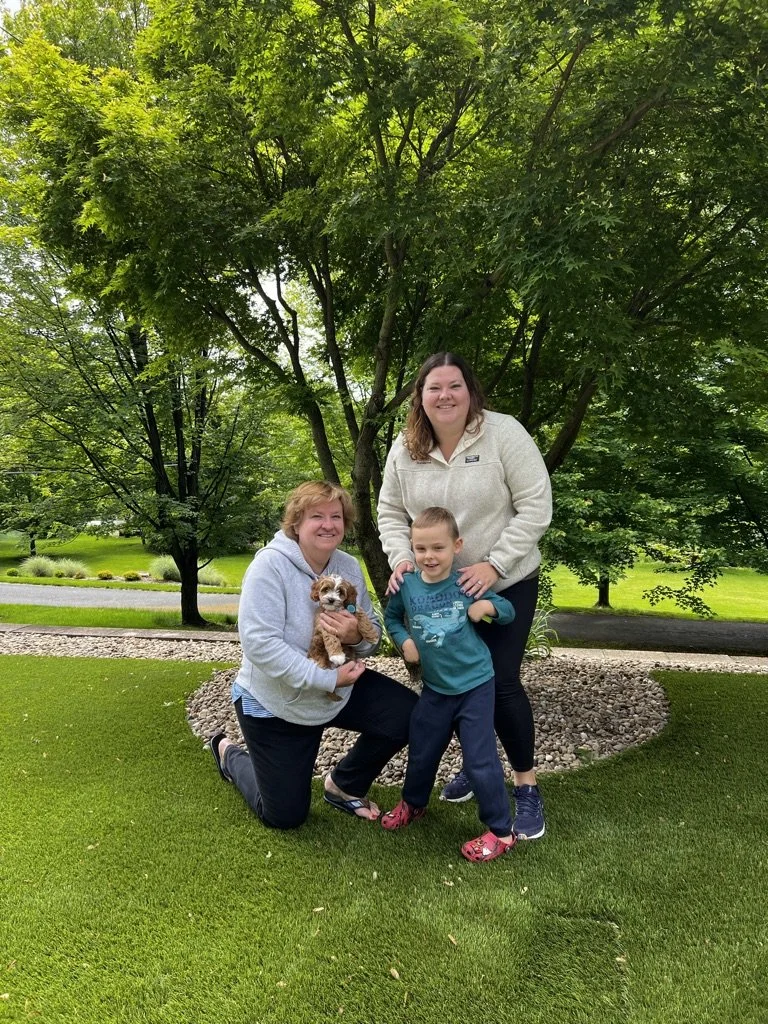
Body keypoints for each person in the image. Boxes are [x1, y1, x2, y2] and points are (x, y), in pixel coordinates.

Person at [377, 351, 552, 839]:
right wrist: (402, 560)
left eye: (455, 385)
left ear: (470, 391)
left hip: (503, 579)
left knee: (499, 682)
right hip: (435, 589)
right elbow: (390, 511)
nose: (445, 395)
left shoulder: (504, 433)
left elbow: (537, 506)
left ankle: (525, 786)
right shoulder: (404, 448)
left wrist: (493, 564)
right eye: (434, 387)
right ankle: (479, 765)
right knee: (450, 678)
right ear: (421, 396)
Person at [209, 481, 418, 829]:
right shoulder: (270, 567)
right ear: (296, 523)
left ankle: (343, 785)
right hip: (278, 701)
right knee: (285, 816)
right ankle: (229, 753)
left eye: (336, 516)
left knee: (409, 715)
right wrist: (327, 678)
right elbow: (260, 645)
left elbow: (371, 634)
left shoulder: (348, 567)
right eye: (316, 516)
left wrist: (356, 636)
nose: (328, 524)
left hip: (336, 684)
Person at [381, 507, 518, 862]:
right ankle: (414, 804)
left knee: (479, 759)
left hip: (475, 685)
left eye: (438, 548)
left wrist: (486, 605)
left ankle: (501, 832)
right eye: (421, 548)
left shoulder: (465, 582)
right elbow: (393, 617)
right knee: (422, 749)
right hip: (436, 689)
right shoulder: (406, 585)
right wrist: (404, 642)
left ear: (457, 546)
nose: (429, 556)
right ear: (412, 548)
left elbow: (508, 611)